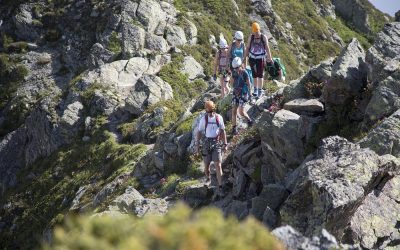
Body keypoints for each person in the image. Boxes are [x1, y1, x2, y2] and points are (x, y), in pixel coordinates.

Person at [195, 101, 228, 194]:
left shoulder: (219, 118)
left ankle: (220, 186)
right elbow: (199, 132)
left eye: (211, 111)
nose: (210, 113)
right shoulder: (203, 119)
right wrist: (197, 146)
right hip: (206, 143)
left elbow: (222, 131)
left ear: (214, 109)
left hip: (216, 143)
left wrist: (225, 144)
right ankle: (208, 177)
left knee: (218, 165)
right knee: (206, 165)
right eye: (208, 112)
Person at [245, 22, 273, 99]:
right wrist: (245, 57)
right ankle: (255, 90)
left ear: (259, 30)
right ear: (253, 31)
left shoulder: (263, 37)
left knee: (260, 74)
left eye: (257, 31)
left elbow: (267, 47)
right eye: (255, 32)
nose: (256, 33)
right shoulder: (251, 37)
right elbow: (247, 47)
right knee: (254, 74)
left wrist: (270, 57)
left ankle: (260, 90)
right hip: (252, 58)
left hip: (260, 58)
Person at [230, 57, 253, 135]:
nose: (236, 69)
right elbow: (231, 83)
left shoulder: (245, 73)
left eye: (237, 67)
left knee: (241, 111)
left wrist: (250, 94)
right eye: (234, 68)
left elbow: (249, 84)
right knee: (234, 110)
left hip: (243, 93)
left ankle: (249, 121)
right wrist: (233, 88)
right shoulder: (234, 72)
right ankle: (234, 128)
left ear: (240, 65)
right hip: (235, 93)